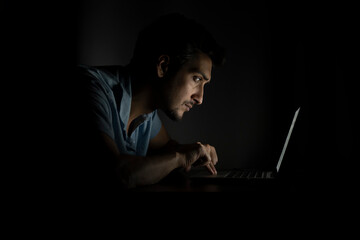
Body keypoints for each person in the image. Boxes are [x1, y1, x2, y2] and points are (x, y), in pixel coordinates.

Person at [75, 13, 225, 190]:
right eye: (197, 79)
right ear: (163, 67)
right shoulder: (90, 88)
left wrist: (196, 152)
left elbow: (169, 148)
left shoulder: (147, 114)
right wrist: (180, 158)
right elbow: (119, 173)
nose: (200, 98)